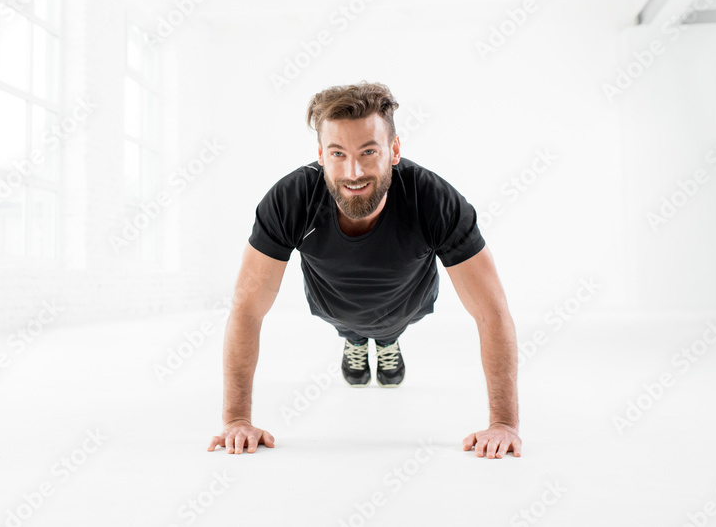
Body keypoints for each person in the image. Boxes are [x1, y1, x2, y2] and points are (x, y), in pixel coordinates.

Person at [206, 82, 521, 458]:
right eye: (338, 153)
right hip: (333, 305)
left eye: (368, 151)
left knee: (389, 329)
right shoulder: (289, 199)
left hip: (406, 305)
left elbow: (492, 310)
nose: (352, 171)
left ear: (394, 150)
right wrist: (236, 419)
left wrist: (503, 423)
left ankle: (386, 341)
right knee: (352, 327)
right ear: (321, 154)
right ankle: (357, 341)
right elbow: (247, 307)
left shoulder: (434, 199)